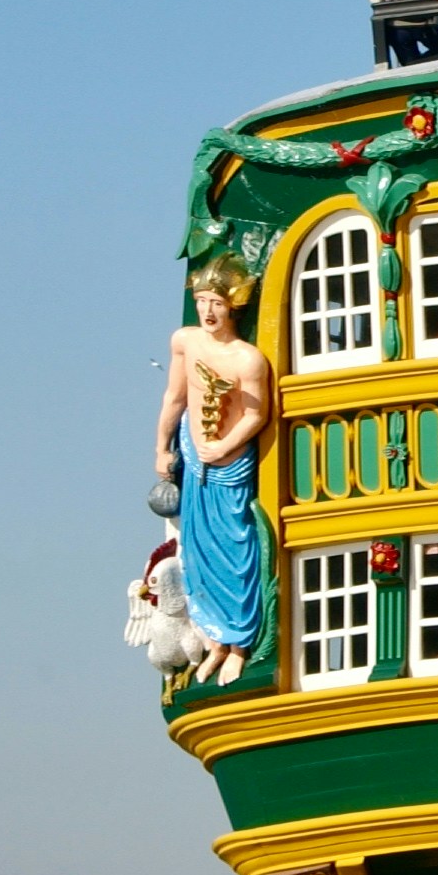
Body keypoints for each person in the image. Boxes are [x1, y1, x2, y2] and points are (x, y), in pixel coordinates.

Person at [154, 257, 274, 687]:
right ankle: (215, 643)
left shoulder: (247, 360)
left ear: (234, 306)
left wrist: (222, 446)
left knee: (234, 551)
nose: (208, 311)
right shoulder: (185, 342)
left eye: (217, 303)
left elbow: (255, 415)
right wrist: (161, 446)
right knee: (200, 551)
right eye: (202, 301)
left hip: (227, 463)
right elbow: (175, 397)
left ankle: (239, 644)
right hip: (193, 453)